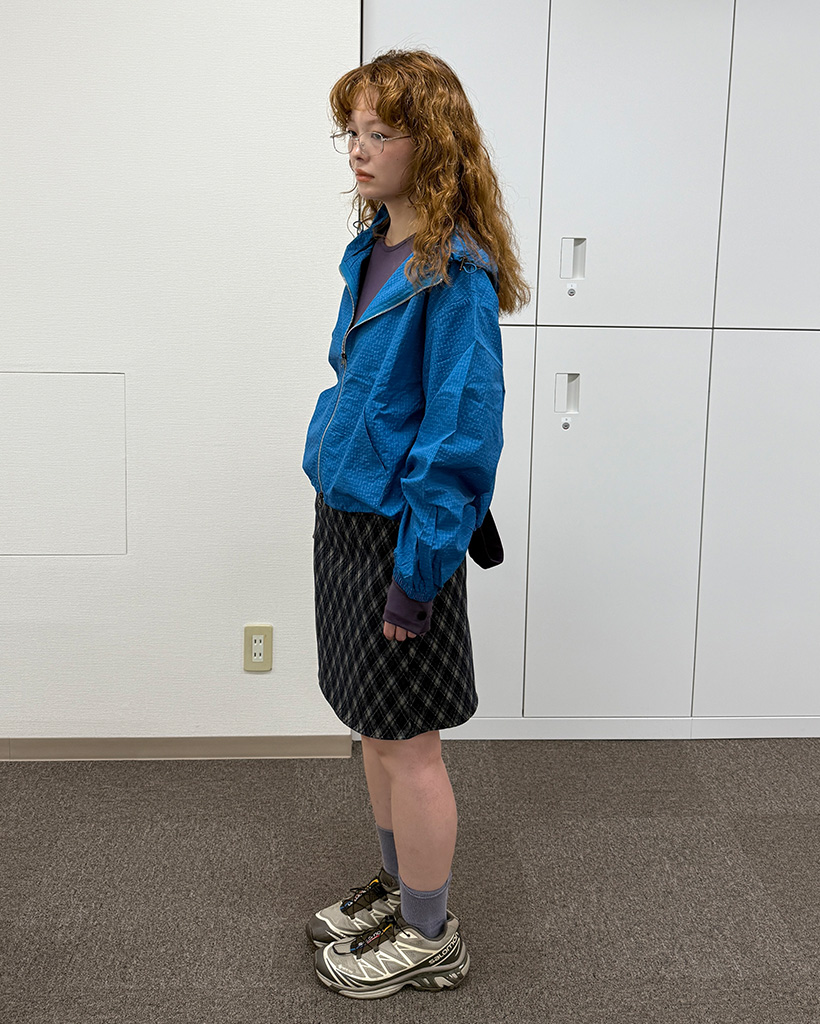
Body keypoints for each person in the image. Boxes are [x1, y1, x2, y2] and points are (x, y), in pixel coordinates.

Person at [302, 48, 531, 999]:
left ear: (429, 143)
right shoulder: (371, 249)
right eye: (351, 132)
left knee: (411, 742)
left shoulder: (454, 274)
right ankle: (402, 890)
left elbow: (461, 437)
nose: (358, 149)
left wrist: (418, 571)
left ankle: (431, 933)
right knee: (373, 725)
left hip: (406, 537)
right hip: (347, 518)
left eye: (380, 132)